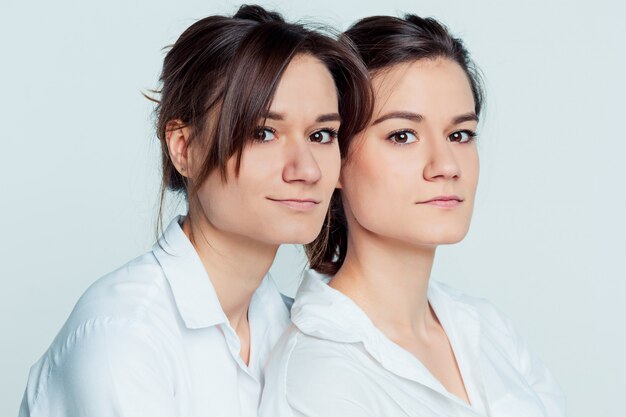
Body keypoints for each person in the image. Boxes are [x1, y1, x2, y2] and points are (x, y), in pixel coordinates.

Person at [19, 5, 371, 417]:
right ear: (183, 148)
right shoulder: (126, 338)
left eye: (321, 134)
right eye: (264, 133)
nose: (307, 169)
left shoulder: (297, 327)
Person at [260, 14, 566, 417]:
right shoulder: (319, 376)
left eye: (460, 135)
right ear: (334, 157)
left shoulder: (486, 327)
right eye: (402, 135)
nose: (445, 165)